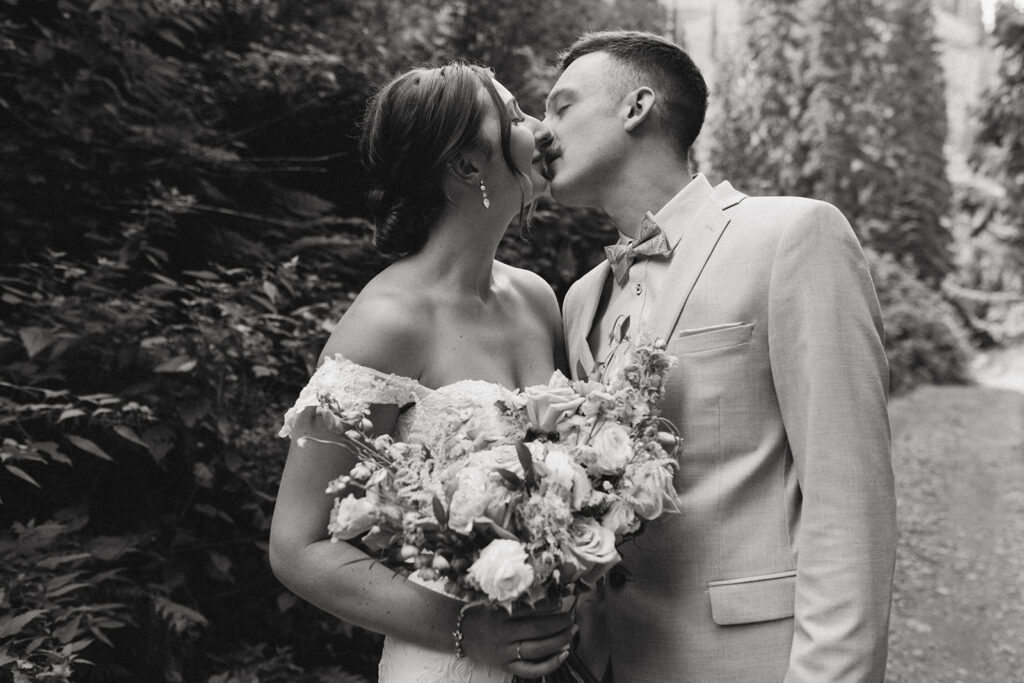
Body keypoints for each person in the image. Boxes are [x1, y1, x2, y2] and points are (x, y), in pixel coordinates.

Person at [543, 31, 898, 682]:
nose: (540, 132)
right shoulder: (579, 299)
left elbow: (848, 499)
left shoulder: (793, 236)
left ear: (636, 107)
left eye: (560, 107)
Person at [269, 63, 578, 682]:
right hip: (452, 660)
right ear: (468, 165)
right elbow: (296, 547)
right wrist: (468, 631)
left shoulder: (538, 298)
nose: (542, 129)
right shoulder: (388, 320)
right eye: (517, 117)